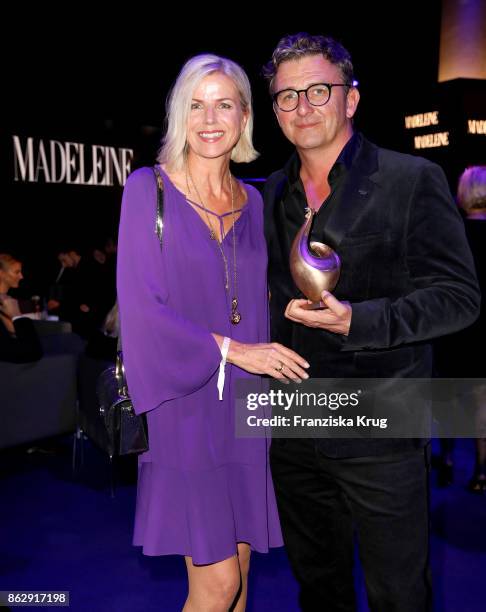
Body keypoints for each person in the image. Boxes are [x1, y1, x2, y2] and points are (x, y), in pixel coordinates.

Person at [262, 33, 480, 611]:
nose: (302, 107)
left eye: (318, 91)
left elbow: (460, 297)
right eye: (287, 97)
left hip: (381, 421)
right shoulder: (269, 195)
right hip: (290, 425)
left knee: (398, 595)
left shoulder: (411, 179)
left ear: (351, 99)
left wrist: (359, 320)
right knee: (318, 588)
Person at [117, 54, 309, 612]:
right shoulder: (146, 190)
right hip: (184, 405)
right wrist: (235, 350)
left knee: (242, 577)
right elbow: (143, 311)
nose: (209, 118)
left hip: (248, 408)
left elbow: (264, 296)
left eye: (224, 104)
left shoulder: (255, 201)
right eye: (195, 104)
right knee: (218, 584)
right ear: (179, 115)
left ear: (244, 116)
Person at [435, 166, 486, 492]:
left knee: (448, 395)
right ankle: (482, 471)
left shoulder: (450, 234)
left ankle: (448, 458)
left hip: (455, 327)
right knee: (482, 401)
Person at [0, 254, 42, 363]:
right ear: (1, 273)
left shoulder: (9, 300)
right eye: (16, 272)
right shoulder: (6, 303)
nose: (21, 276)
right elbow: (33, 352)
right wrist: (16, 315)